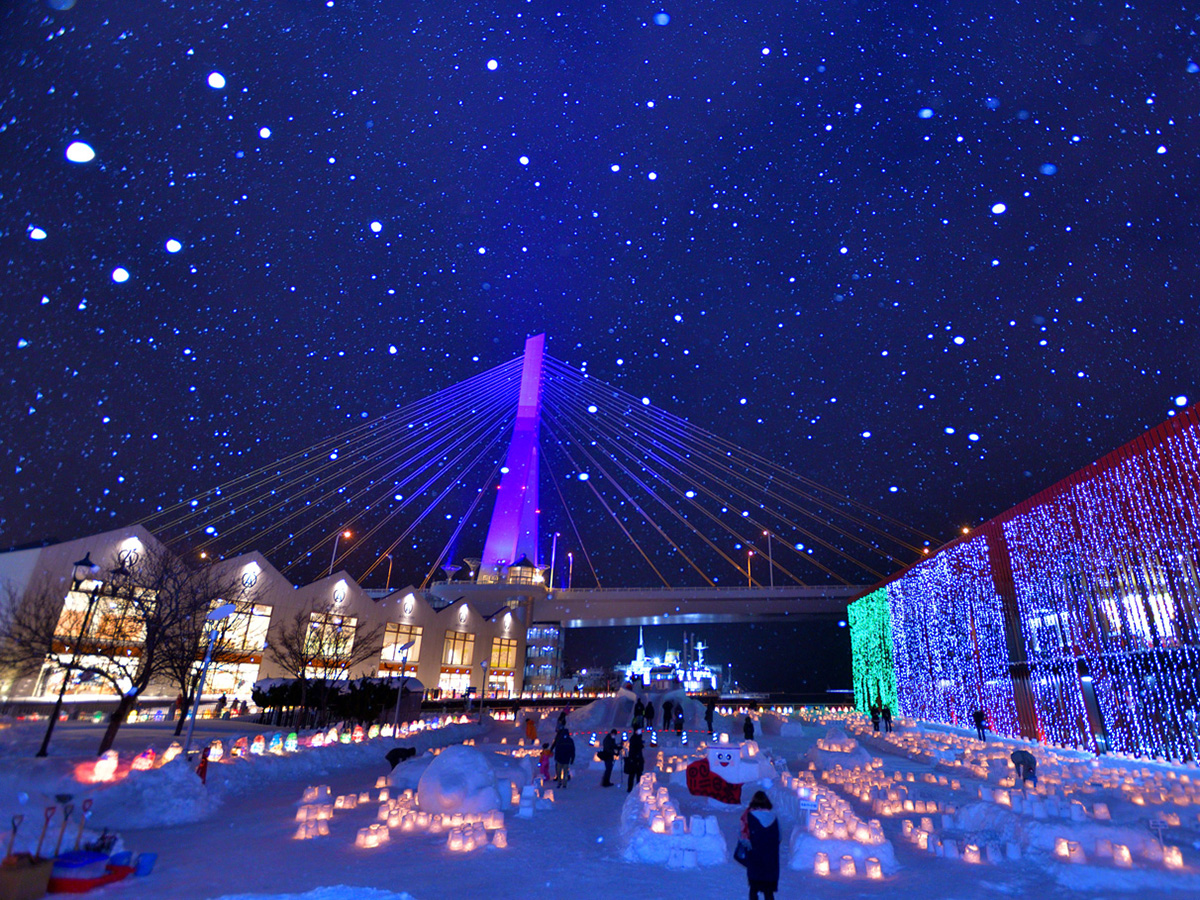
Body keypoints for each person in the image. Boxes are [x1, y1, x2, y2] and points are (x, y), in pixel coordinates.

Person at [740, 790, 780, 900]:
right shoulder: (774, 818)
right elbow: (779, 837)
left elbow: (744, 837)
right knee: (769, 892)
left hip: (755, 859)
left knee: (754, 889)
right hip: (770, 861)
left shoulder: (749, 817)